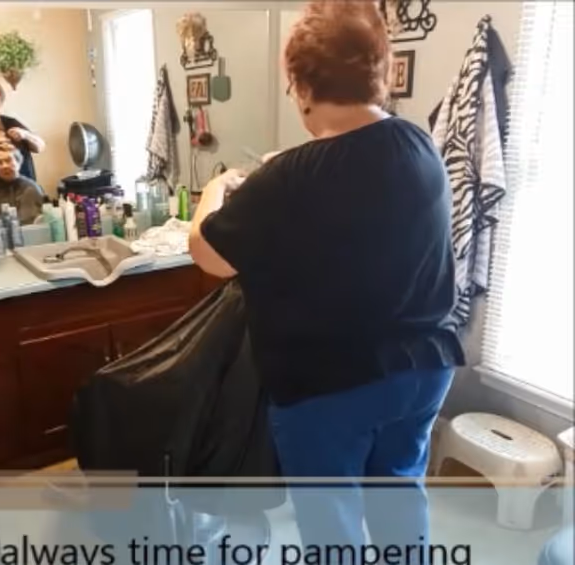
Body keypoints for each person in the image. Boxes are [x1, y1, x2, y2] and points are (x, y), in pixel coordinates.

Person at [188, 0, 465, 560]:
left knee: (331, 517)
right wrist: (289, 165)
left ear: (301, 84)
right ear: (376, 74)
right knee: (398, 495)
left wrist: (214, 192)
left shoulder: (285, 180)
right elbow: (355, 180)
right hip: (422, 370)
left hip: (331, 385)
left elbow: (208, 253)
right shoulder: (420, 146)